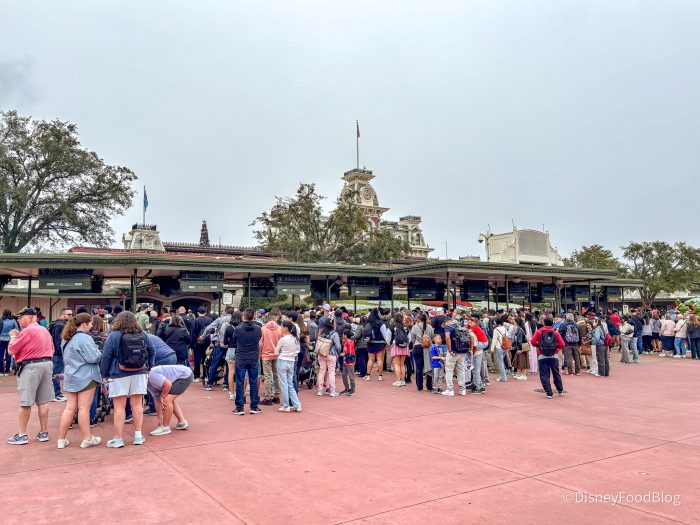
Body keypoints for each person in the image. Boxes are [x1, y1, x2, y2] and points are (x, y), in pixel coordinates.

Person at [100, 311, 156, 448]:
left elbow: (106, 356)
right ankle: (138, 436)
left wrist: (104, 374)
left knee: (119, 407)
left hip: (119, 373)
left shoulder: (114, 335)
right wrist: (149, 366)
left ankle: (118, 439)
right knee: (137, 405)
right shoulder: (142, 334)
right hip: (140, 372)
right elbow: (152, 349)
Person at [6, 308, 55, 445]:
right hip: (47, 364)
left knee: (26, 402)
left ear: (29, 317)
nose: (18, 320)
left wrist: (13, 336)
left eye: (20, 317)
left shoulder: (27, 331)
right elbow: (52, 349)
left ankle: (22, 434)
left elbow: (11, 350)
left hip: (31, 366)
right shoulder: (44, 330)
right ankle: (43, 432)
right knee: (43, 401)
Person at [56, 312, 102, 449]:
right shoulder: (85, 338)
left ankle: (61, 439)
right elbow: (93, 357)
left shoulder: (66, 338)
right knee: (84, 409)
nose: (92, 325)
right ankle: (87, 438)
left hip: (70, 375)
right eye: (91, 323)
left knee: (69, 408)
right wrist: (99, 352)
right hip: (86, 376)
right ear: (84, 324)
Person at [231, 308, 263, 416]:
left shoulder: (238, 328)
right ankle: (254, 406)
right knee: (253, 381)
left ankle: (239, 407)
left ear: (243, 316)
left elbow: (234, 340)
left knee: (240, 382)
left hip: (241, 356)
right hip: (253, 357)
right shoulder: (258, 328)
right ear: (253, 316)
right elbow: (259, 338)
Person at [148, 364, 194, 435]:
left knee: (166, 399)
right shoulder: (148, 384)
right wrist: (159, 418)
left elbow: (168, 385)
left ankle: (165, 427)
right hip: (183, 374)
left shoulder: (152, 375)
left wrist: (162, 397)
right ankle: (182, 422)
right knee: (168, 398)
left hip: (185, 375)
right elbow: (156, 398)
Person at [530, 317, 566, 399]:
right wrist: (556, 349)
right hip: (553, 356)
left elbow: (533, 341)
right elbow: (562, 344)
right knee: (556, 373)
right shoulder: (555, 333)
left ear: (544, 323)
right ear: (552, 323)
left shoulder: (539, 332)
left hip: (542, 356)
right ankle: (560, 390)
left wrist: (539, 346)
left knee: (544, 374)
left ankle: (549, 393)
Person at [202, 306, 235, 391]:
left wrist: (203, 335)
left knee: (214, 363)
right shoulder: (235, 319)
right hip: (231, 345)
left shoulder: (220, 319)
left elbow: (209, 328)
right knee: (229, 365)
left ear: (225, 312)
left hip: (220, 344)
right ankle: (226, 384)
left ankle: (210, 384)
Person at [274, 320, 302, 412]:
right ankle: (297, 405)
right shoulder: (296, 339)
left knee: (284, 384)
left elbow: (276, 351)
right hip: (291, 361)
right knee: (290, 384)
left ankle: (286, 405)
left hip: (282, 361)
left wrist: (281, 353)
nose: (281, 328)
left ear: (286, 328)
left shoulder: (283, 339)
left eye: (282, 327)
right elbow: (298, 351)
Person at [48, 308, 73, 402]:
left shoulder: (56, 324)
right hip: (58, 354)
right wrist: (62, 353)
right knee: (56, 373)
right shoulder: (60, 325)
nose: (71, 316)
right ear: (62, 315)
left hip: (56, 353)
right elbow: (59, 341)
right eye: (68, 314)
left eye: (71, 314)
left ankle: (56, 393)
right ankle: (56, 393)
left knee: (56, 373)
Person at [259, 309, 282, 404]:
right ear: (275, 318)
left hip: (266, 354)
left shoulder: (263, 329)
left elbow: (260, 343)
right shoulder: (280, 328)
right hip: (277, 355)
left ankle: (268, 396)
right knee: (277, 376)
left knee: (267, 376)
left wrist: (260, 354)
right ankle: (277, 395)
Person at [316, 316, 341, 397]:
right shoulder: (334, 334)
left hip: (321, 354)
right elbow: (338, 346)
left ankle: (320, 390)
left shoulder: (322, 332)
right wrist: (338, 353)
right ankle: (332, 391)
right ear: (333, 324)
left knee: (321, 371)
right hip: (331, 354)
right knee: (331, 372)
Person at [409, 312, 433, 392]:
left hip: (418, 347)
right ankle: (429, 386)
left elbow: (412, 339)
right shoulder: (429, 326)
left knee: (418, 367)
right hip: (428, 348)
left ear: (418, 318)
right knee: (429, 366)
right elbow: (432, 336)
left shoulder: (415, 327)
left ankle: (419, 386)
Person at [364, 308, 389, 382]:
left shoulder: (368, 322)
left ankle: (368, 375)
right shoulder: (381, 323)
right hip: (380, 343)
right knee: (379, 360)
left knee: (370, 359)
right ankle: (380, 376)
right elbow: (385, 335)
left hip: (370, 342)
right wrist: (388, 342)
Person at [223, 311, 242, 400]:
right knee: (240, 372)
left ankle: (231, 393)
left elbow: (225, 341)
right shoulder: (241, 327)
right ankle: (239, 392)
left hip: (230, 349)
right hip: (240, 350)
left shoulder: (228, 328)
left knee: (231, 372)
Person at [190, 307, 213, 382]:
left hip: (197, 342)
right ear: (205, 312)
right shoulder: (210, 320)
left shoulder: (195, 320)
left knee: (197, 359)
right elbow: (212, 331)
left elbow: (193, 333)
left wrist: (192, 344)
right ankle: (206, 375)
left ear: (197, 313)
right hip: (207, 341)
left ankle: (197, 376)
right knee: (206, 358)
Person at [390, 314, 410, 387]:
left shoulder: (393, 326)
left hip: (396, 345)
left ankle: (398, 381)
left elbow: (388, 336)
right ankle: (403, 381)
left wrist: (391, 344)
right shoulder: (406, 327)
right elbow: (409, 337)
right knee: (402, 364)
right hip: (404, 346)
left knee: (397, 364)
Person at [490, 317, 509, 383]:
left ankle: (503, 378)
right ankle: (502, 376)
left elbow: (494, 340)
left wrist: (492, 349)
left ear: (497, 322)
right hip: (506, 347)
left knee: (500, 362)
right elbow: (508, 336)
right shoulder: (504, 328)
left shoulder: (496, 329)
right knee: (501, 361)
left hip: (499, 347)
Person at [1, 309, 19, 376]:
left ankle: (1, 371)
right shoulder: (13, 321)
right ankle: (7, 370)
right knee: (9, 355)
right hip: (10, 340)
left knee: (1, 355)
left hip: (1, 340)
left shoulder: (1, 320)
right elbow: (17, 330)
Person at [340, 329, 356, 396]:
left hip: (349, 361)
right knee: (344, 375)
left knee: (351, 376)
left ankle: (352, 389)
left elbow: (349, 353)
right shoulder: (347, 342)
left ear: (346, 335)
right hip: (346, 360)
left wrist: (343, 354)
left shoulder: (349, 342)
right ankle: (347, 389)